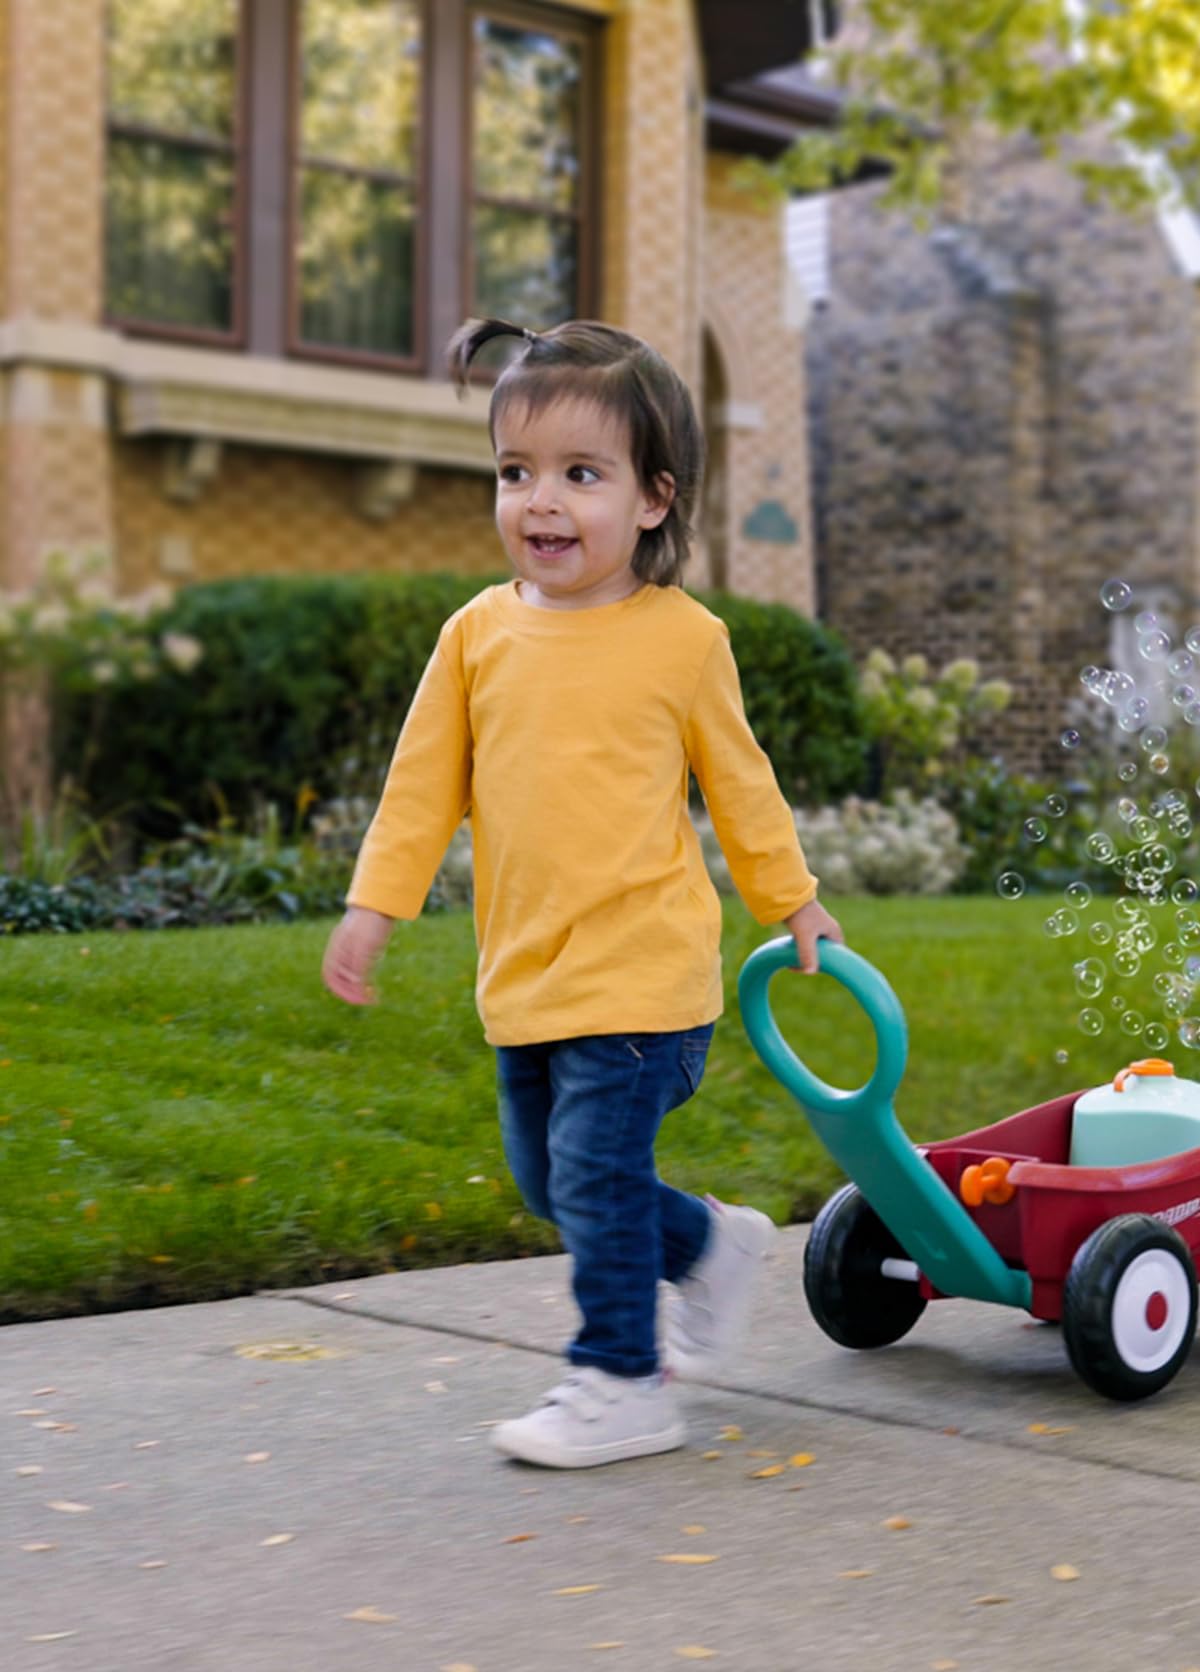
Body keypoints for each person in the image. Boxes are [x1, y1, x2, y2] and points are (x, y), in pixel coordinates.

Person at [321, 318, 843, 1470]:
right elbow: (420, 791)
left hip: (645, 979)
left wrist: (791, 899)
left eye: (579, 474)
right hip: (527, 975)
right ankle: (707, 1245)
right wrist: (376, 905)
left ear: (654, 500)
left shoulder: (682, 641)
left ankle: (621, 1378)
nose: (540, 501)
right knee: (552, 1182)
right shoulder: (475, 638)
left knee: (596, 1179)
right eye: (516, 472)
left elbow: (741, 786)